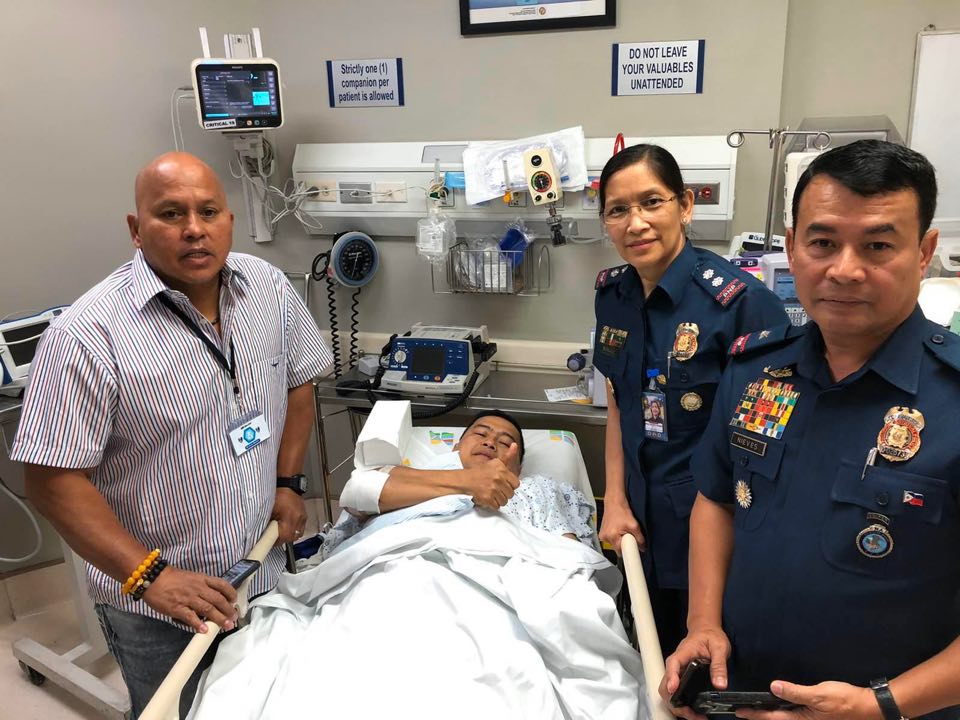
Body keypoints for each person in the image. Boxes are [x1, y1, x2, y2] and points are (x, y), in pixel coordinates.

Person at [11, 152, 332, 718]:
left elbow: (299, 385)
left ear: (228, 220)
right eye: (170, 213)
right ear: (136, 230)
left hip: (262, 567)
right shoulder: (88, 335)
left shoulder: (267, 289)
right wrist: (150, 577)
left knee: (266, 699)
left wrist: (288, 482)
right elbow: (53, 480)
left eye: (208, 211)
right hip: (160, 607)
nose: (193, 228)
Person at [661, 140, 960, 720]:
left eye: (878, 245)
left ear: (924, 253)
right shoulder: (754, 373)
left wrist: (880, 705)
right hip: (745, 698)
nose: (845, 270)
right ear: (793, 248)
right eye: (823, 242)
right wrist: (702, 621)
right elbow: (717, 501)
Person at [593, 144, 788, 656]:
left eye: (651, 202)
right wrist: (614, 500)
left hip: (716, 540)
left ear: (684, 206)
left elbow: (765, 451)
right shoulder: (612, 296)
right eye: (618, 210)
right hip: (639, 528)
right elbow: (618, 401)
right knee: (647, 662)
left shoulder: (743, 305)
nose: (636, 223)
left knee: (709, 679)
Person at [335, 410, 595, 545]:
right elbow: (356, 497)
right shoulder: (415, 476)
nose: (491, 442)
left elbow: (568, 554)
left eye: (506, 442)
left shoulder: (535, 489)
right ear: (455, 447)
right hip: (403, 570)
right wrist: (468, 482)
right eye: (481, 434)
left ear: (518, 470)